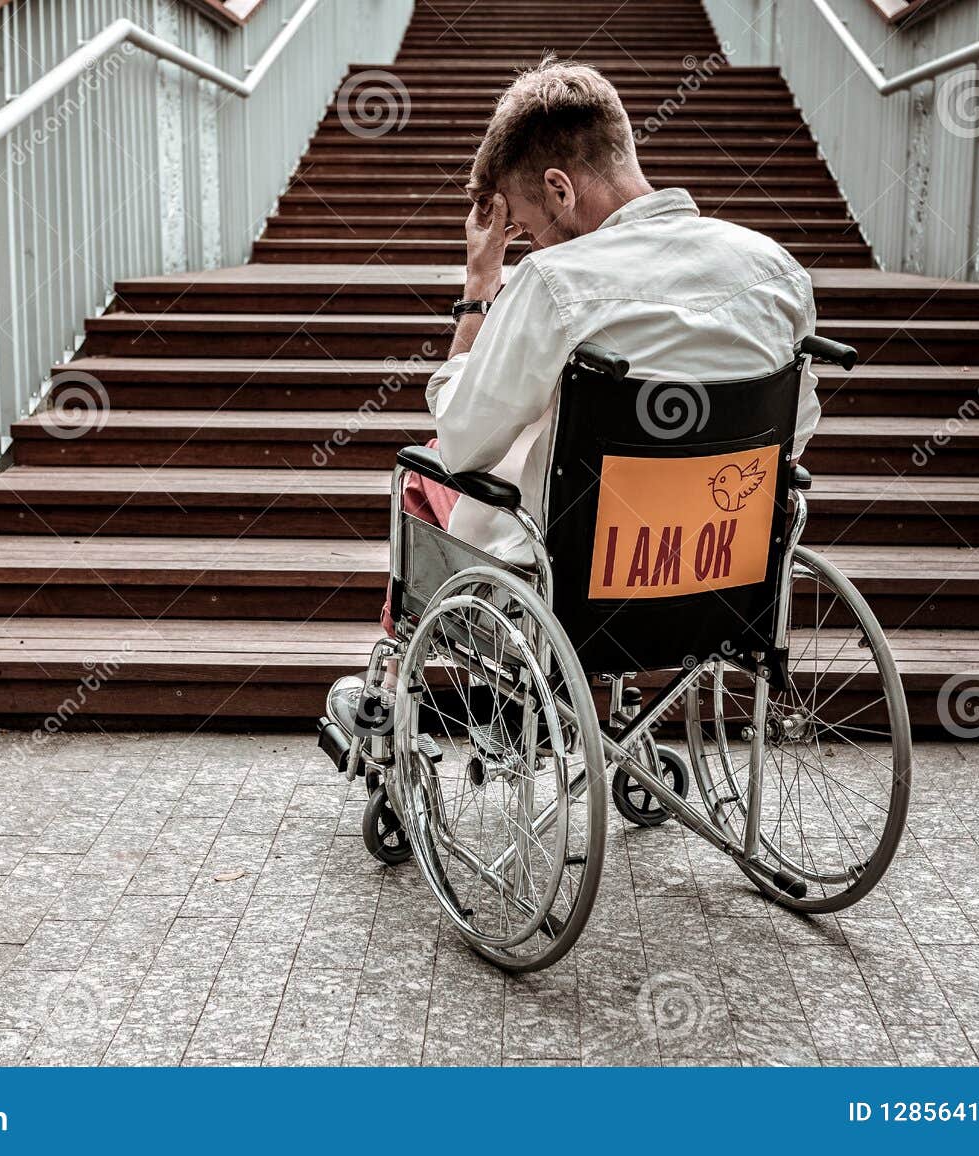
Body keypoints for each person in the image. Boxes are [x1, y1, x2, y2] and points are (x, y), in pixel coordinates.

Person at [330, 57, 820, 730]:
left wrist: (480, 288)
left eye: (528, 226)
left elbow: (465, 443)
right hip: (723, 572)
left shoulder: (556, 280)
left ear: (558, 188)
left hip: (582, 587)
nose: (532, 243)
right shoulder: (775, 269)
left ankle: (386, 692)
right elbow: (796, 427)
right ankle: (598, 712)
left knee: (425, 475)